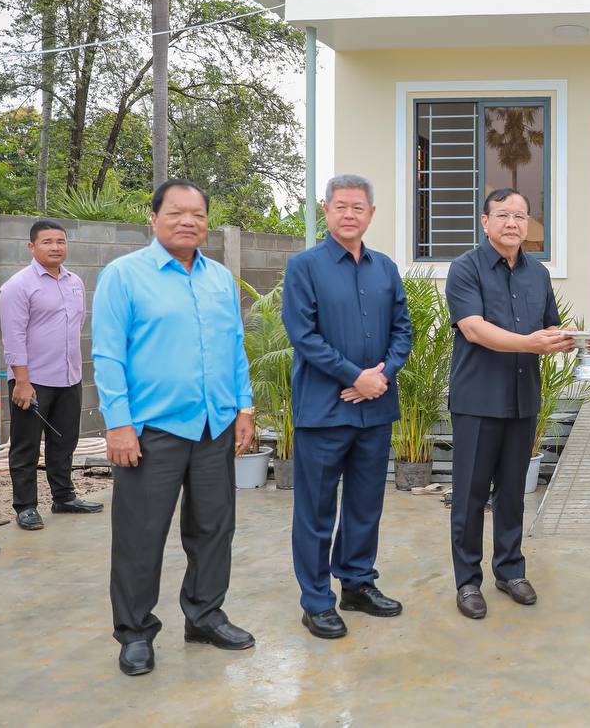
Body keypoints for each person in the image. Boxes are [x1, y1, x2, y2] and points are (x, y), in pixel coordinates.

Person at [92, 180, 256, 677]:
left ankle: (204, 616)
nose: (188, 221)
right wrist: (118, 424)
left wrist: (244, 408)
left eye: (198, 214)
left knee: (213, 529)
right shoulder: (124, 275)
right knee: (140, 535)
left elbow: (234, 347)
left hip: (214, 426)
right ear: (154, 217)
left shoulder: (220, 279)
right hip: (151, 431)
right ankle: (135, 632)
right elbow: (108, 355)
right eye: (176, 213)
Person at [282, 174, 412, 640]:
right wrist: (355, 377)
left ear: (371, 214)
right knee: (315, 511)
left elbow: (403, 330)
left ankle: (357, 583)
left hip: (375, 410)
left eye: (358, 207)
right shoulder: (304, 267)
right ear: (326, 210)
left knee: (364, 505)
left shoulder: (385, 269)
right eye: (341, 206)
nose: (349, 214)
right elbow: (304, 335)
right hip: (324, 411)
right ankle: (317, 601)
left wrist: (381, 375)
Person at [445, 188, 571, 620]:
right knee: (470, 495)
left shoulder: (538, 274)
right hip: (478, 400)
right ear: (485, 222)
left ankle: (510, 570)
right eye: (503, 215)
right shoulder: (465, 268)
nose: (512, 223)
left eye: (520, 216)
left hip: (522, 398)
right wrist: (530, 343)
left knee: (513, 493)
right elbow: (474, 329)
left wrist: (573, 340)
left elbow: (550, 327)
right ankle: (467, 581)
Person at [0, 219, 103, 532]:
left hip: (69, 377)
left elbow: (76, 326)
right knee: (26, 446)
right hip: (32, 381)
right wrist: (22, 382)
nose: (55, 247)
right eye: (47, 242)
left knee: (64, 441)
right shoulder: (18, 285)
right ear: (31, 247)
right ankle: (26, 507)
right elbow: (13, 337)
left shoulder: (74, 282)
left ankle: (64, 497)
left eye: (60, 241)